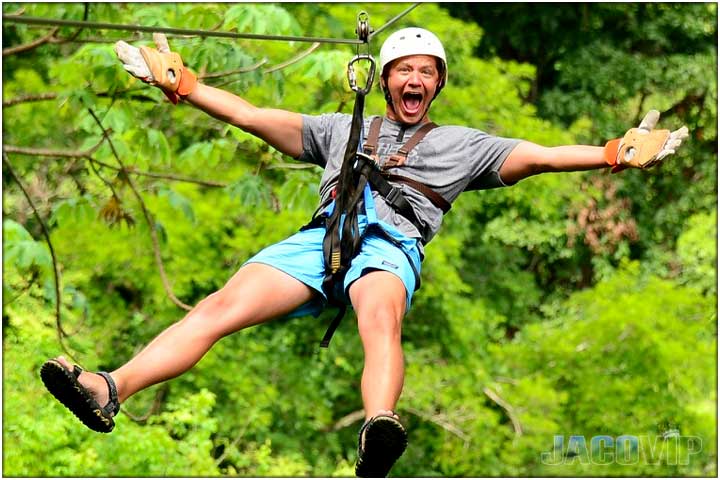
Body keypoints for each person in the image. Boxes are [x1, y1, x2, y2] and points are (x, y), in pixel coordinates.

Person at [40, 27, 688, 477]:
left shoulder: (465, 145)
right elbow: (250, 114)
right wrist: (185, 85)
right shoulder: (339, 129)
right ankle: (108, 388)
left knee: (381, 318)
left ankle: (380, 425)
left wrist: (608, 154)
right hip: (321, 242)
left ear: (436, 85)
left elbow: (541, 156)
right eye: (404, 71)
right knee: (217, 307)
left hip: (390, 245)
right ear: (386, 82)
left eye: (425, 73)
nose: (413, 79)